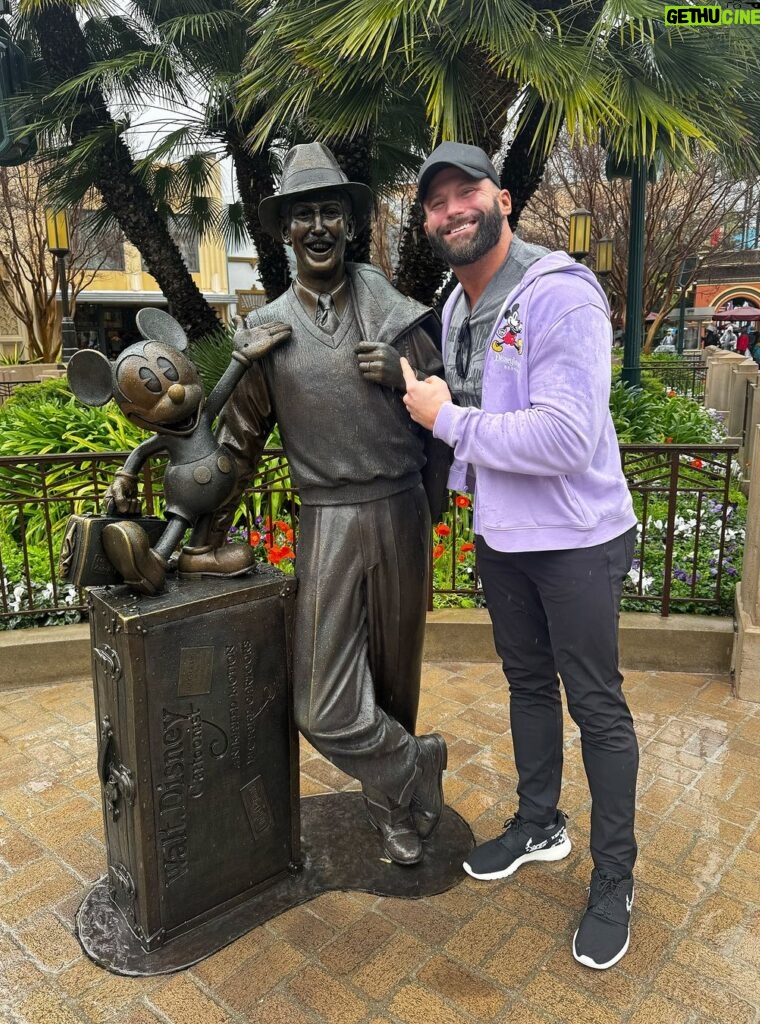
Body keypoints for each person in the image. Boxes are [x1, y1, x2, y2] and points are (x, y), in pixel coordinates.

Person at [401, 141, 639, 970]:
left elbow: (566, 437)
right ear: (425, 219)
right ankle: (539, 822)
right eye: (435, 201)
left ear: (501, 200)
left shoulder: (559, 295)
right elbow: (476, 417)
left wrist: (445, 422)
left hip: (576, 541)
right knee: (528, 686)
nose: (452, 209)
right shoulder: (458, 306)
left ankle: (614, 878)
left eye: (466, 191)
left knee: (597, 707)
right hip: (505, 541)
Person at [213, 143, 449, 866]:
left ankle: (393, 812)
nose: (316, 226)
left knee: (393, 673)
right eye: (301, 214)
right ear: (284, 229)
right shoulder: (267, 336)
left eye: (329, 212)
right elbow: (238, 445)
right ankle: (414, 762)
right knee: (319, 699)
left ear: (348, 223)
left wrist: (400, 384)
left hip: (399, 510)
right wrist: (191, 521)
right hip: (327, 520)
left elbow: (443, 422)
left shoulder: (398, 316)